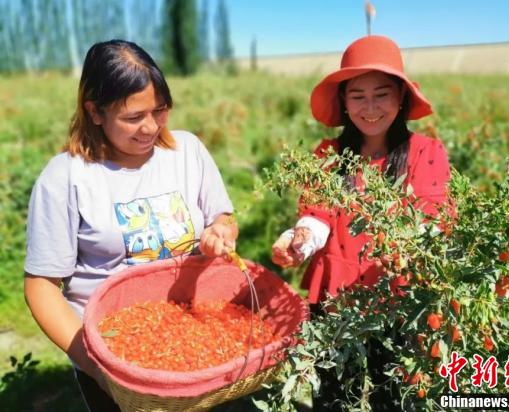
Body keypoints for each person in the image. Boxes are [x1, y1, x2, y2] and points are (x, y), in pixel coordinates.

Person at [23, 40, 238, 412]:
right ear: (95, 112)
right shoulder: (66, 177)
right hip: (112, 349)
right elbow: (41, 286)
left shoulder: (187, 152)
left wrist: (221, 231)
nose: (150, 127)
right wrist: (97, 365)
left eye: (160, 110)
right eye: (133, 117)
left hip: (190, 338)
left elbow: (223, 216)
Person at [271, 35, 452, 410]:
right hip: (337, 297)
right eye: (358, 96)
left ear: (401, 96)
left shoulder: (426, 153)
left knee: (396, 392)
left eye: (381, 93)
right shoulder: (328, 155)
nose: (370, 107)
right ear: (344, 102)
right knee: (334, 392)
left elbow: (432, 220)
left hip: (398, 297)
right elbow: (317, 216)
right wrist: (298, 241)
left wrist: (408, 247)